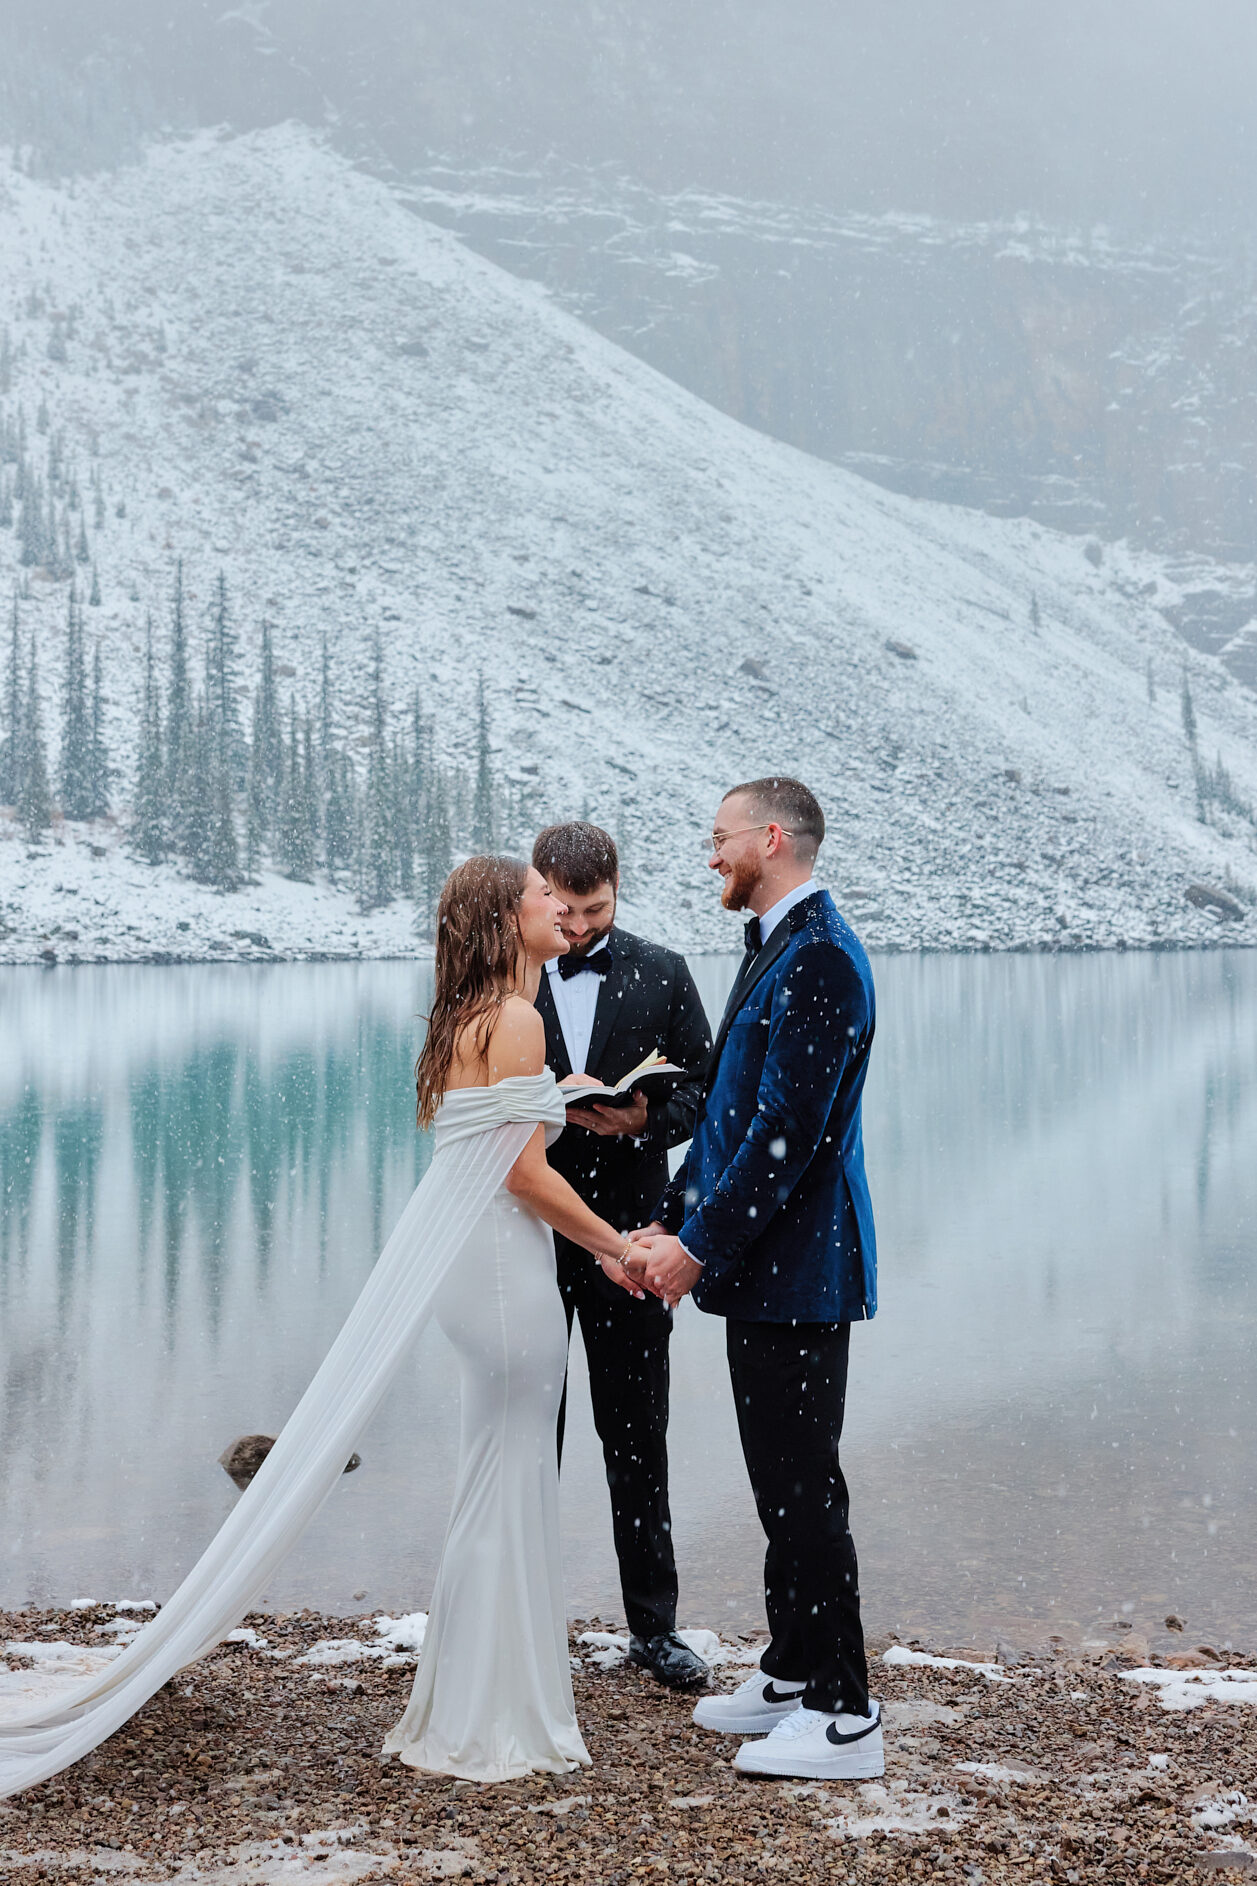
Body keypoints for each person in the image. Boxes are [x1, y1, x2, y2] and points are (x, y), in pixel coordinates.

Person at [0, 856, 652, 1796]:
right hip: (505, 1270)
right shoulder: (514, 1018)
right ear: (507, 925)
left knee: (494, 1474)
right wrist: (614, 1248)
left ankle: (480, 1697)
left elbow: (497, 1137)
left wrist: (554, 1096)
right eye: (539, 898)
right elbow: (520, 1172)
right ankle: (489, 1712)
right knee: (506, 1477)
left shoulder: (467, 1017)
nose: (558, 906)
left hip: (475, 1267)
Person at [629, 777, 883, 1783]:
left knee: (805, 1487)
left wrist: (696, 1251)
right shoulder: (781, 943)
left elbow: (788, 1139)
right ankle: (790, 1668)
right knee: (781, 1482)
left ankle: (844, 1709)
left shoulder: (819, 955)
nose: (711, 855)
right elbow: (737, 1115)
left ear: (771, 838)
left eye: (720, 837)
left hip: (803, 1269)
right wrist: (670, 1219)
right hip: (769, 1267)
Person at [531, 822, 712, 1691]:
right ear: (538, 890)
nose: (574, 930)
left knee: (637, 1435)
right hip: (525, 1236)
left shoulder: (664, 969)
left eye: (593, 910)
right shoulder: (507, 966)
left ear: (617, 891)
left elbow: (706, 1095)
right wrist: (542, 1105)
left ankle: (654, 1628)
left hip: (633, 1240)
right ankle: (524, 1619)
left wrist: (642, 1119)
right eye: (561, 910)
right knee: (530, 1432)